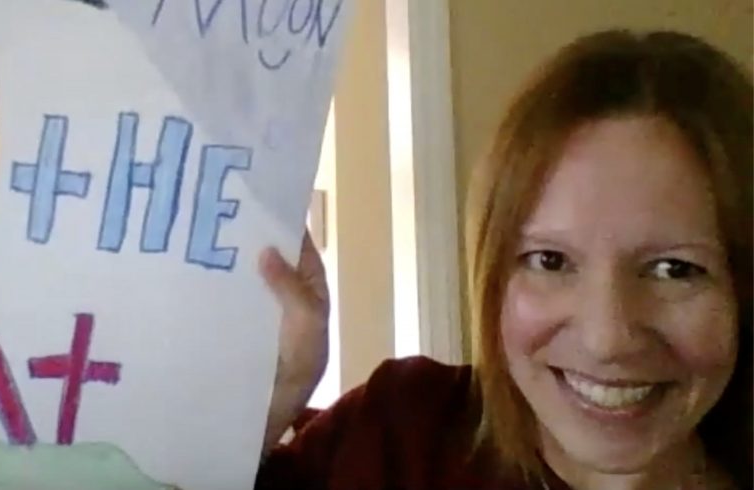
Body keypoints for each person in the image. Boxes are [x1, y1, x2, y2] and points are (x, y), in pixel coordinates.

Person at [254, 29, 752, 490]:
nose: (607, 339)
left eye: (674, 270)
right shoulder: (398, 439)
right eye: (550, 260)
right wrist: (260, 405)